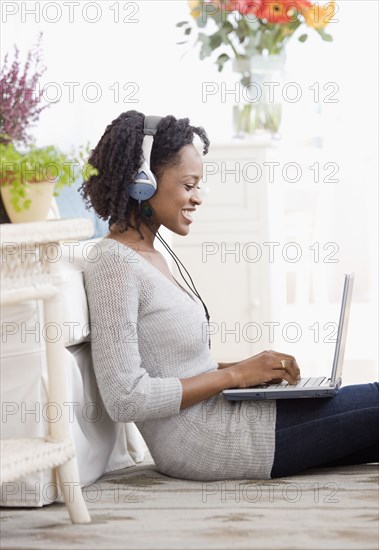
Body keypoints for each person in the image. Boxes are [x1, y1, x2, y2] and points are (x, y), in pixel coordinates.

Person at [80, 110, 378, 481]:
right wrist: (235, 376)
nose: (198, 198)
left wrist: (250, 369)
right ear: (143, 182)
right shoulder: (113, 264)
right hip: (206, 442)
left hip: (227, 419)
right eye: (189, 185)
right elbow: (125, 397)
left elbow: (178, 367)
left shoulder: (152, 255)